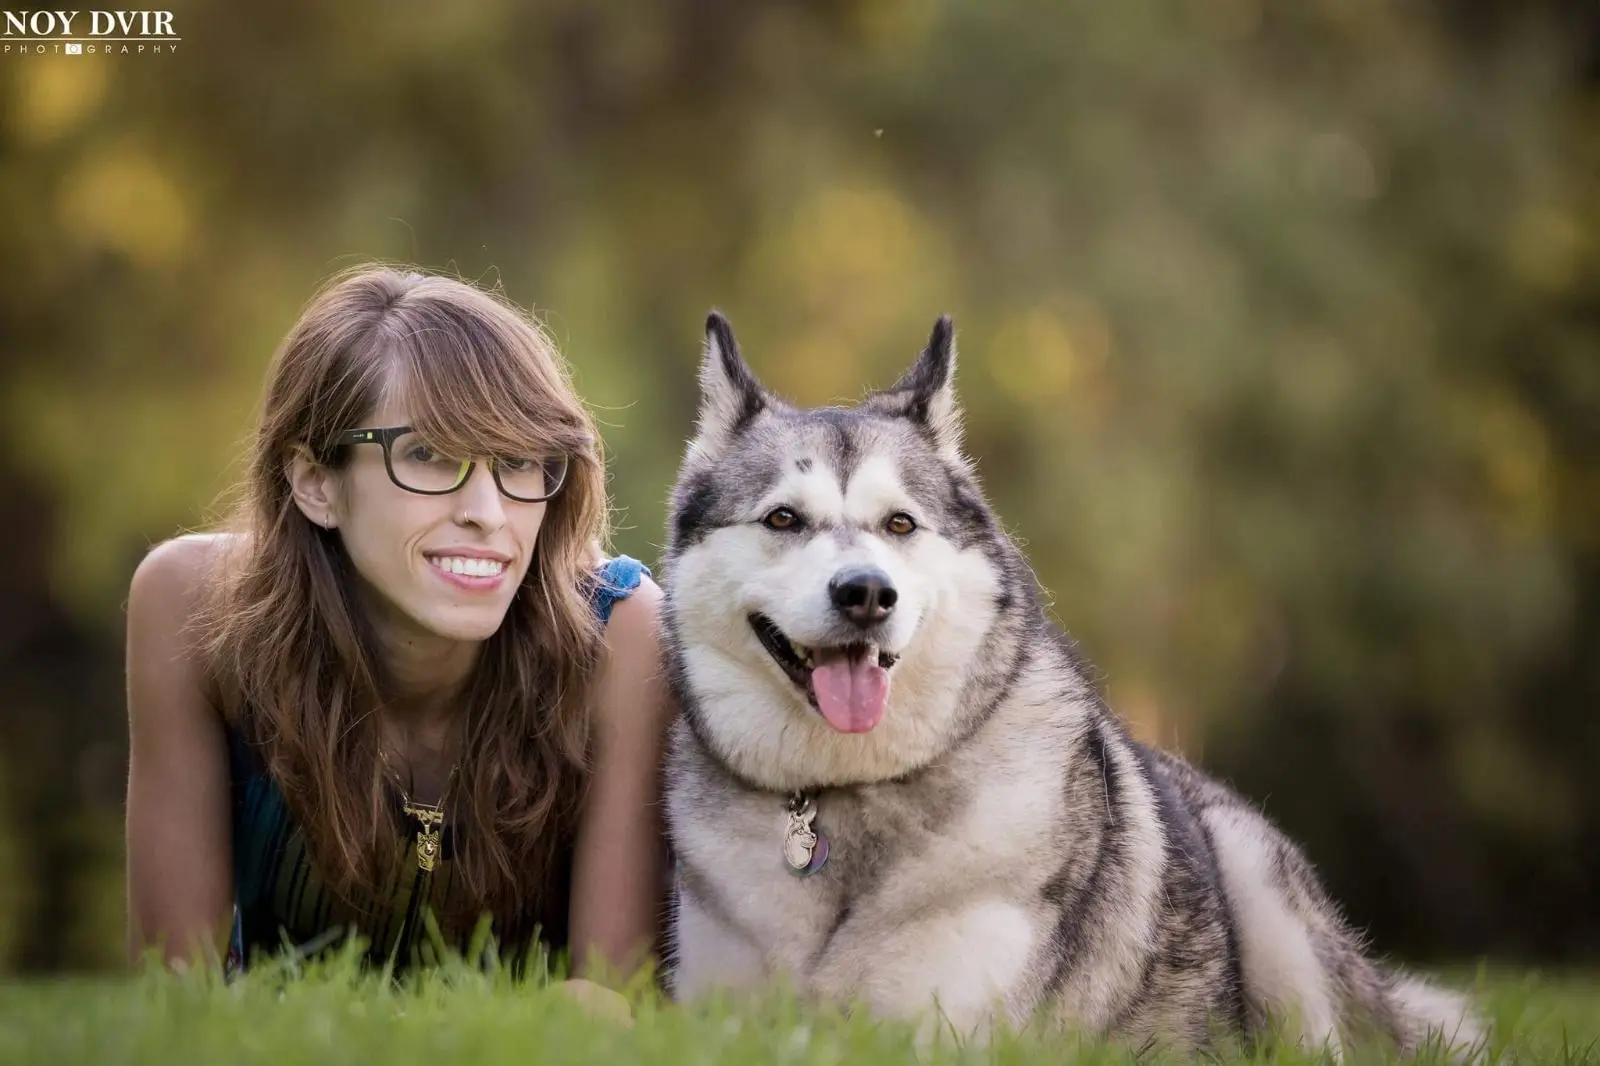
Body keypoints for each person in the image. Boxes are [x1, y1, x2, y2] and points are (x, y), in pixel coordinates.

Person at [124, 265, 674, 996]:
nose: (489, 511)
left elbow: (608, 1000)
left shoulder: (622, 636)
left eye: (518, 462)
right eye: (428, 455)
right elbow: (176, 993)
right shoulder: (189, 605)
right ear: (316, 482)